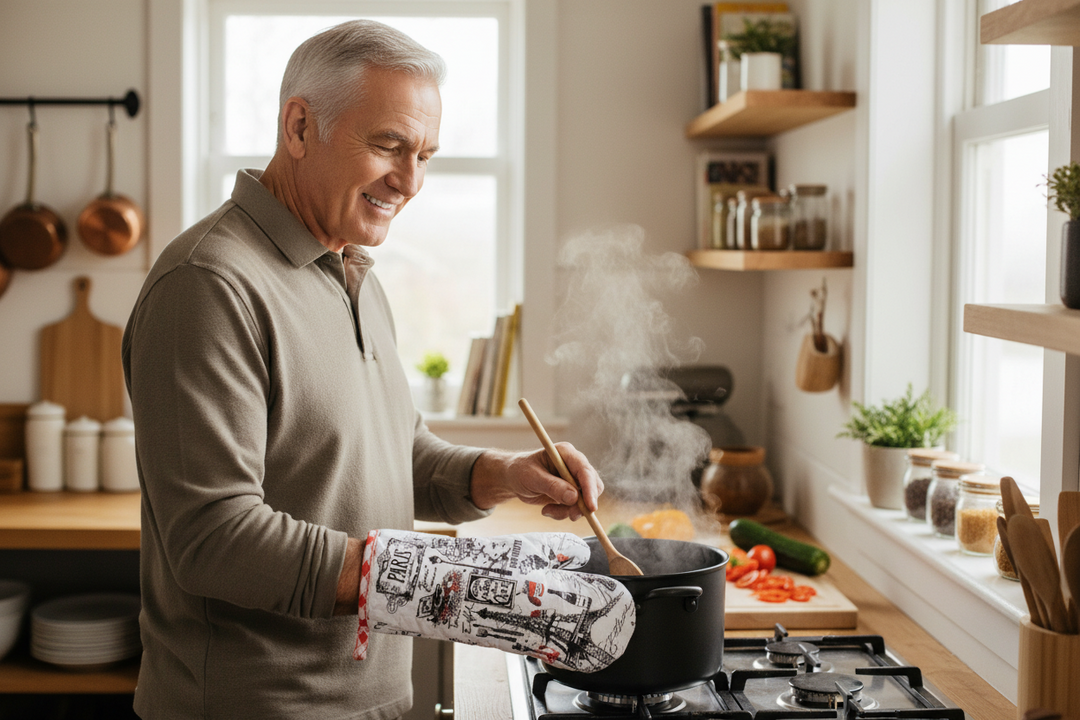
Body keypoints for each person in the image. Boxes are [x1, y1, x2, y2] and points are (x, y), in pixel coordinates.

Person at [122, 19, 632, 720]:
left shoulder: (351, 269)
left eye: (425, 154)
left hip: (377, 698)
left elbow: (393, 454)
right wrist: (444, 581)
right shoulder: (207, 284)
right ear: (299, 127)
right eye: (389, 145)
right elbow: (215, 539)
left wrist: (505, 474)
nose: (411, 181)